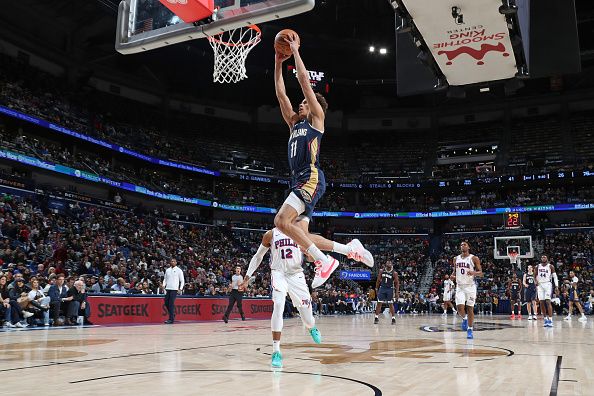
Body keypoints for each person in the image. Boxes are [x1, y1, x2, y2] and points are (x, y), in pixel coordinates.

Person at [273, 34, 373, 288]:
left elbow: (304, 82)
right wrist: (277, 61)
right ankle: (348, 248)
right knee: (300, 235)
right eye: (302, 102)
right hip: (300, 179)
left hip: (310, 177)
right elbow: (281, 95)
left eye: (306, 101)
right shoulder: (295, 123)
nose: (301, 103)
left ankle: (324, 261)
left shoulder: (316, 119)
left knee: (281, 222)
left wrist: (295, 52)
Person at [242, 228, 321, 368]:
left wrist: (309, 255)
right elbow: (258, 256)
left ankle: (311, 328)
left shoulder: (299, 232)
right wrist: (247, 277)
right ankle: (276, 351)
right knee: (278, 305)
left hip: (296, 274)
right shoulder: (271, 234)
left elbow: (312, 258)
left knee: (308, 320)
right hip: (278, 273)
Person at [452, 241, 483, 339]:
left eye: (464, 244)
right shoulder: (455, 259)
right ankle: (464, 319)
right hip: (460, 286)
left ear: (468, 247)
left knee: (470, 308)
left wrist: (473, 272)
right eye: (461, 245)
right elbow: (454, 271)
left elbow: (481, 273)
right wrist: (453, 275)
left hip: (470, 287)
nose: (462, 246)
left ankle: (470, 329)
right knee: (459, 308)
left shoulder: (474, 258)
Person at [535, 255, 559, 328]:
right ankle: (545, 319)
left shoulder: (550, 266)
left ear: (547, 258)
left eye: (544, 257)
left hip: (548, 284)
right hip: (540, 285)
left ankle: (550, 319)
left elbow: (555, 277)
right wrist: (536, 281)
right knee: (541, 302)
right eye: (542, 257)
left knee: (548, 301)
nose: (543, 258)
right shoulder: (537, 266)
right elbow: (534, 275)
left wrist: (557, 286)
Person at [373, 260, 399, 325]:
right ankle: (376, 317)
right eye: (388, 262)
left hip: (390, 289)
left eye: (390, 262)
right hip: (382, 288)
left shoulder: (394, 273)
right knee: (379, 303)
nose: (389, 263)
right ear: (385, 264)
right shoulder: (381, 271)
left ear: (392, 264)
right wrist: (376, 288)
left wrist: (396, 292)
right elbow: (378, 280)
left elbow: (397, 283)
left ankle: (393, 319)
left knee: (390, 304)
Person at [162, 258, 184, 324]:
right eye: (171, 261)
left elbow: (182, 280)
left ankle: (171, 319)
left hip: (174, 289)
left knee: (171, 304)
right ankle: (172, 314)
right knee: (166, 303)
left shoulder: (179, 270)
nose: (172, 262)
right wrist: (163, 285)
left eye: (174, 261)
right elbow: (165, 279)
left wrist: (180, 288)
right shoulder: (167, 270)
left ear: (176, 262)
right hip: (168, 288)